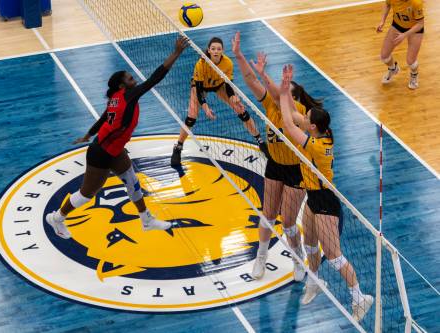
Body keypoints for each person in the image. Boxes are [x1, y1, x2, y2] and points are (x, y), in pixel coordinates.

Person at [46, 37, 189, 239]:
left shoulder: (116, 98)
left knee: (132, 181)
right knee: (87, 194)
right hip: (101, 153)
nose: (135, 80)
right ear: (123, 85)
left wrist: (88, 133)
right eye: (131, 79)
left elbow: (104, 118)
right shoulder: (128, 95)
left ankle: (146, 219)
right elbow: (155, 79)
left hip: (113, 149)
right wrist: (176, 52)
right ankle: (57, 218)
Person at [279, 64, 374, 322]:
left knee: (333, 255)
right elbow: (296, 118)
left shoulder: (318, 147)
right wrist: (287, 90)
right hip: (313, 197)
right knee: (309, 242)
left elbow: (288, 123)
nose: (304, 117)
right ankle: (314, 281)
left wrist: (280, 95)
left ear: (313, 127)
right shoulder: (325, 132)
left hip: (325, 202)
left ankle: (360, 297)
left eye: (307, 117)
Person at [231, 32, 324, 281]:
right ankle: (260, 258)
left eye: (285, 91)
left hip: (296, 171)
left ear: (292, 98)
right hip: (275, 165)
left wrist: (275, 82)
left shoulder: (301, 113)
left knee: (289, 222)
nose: (279, 94)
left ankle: (297, 261)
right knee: (268, 214)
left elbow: (283, 99)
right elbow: (251, 81)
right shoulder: (271, 106)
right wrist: (239, 55)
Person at [171, 36, 269, 166]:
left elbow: (228, 84)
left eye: (219, 49)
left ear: (222, 51)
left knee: (241, 110)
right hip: (201, 87)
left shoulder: (227, 63)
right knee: (191, 116)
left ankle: (260, 140)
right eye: (213, 49)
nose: (216, 51)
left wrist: (233, 96)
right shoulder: (201, 64)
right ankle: (178, 147)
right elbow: (199, 89)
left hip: (219, 86)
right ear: (209, 50)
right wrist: (205, 107)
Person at [377, 0, 424, 89]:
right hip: (397, 25)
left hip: (415, 29)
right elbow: (387, 5)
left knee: (411, 61)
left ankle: (414, 74)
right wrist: (382, 21)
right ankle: (393, 68)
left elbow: (420, 24)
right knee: (384, 56)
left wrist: (404, 35)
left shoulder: (416, 2)